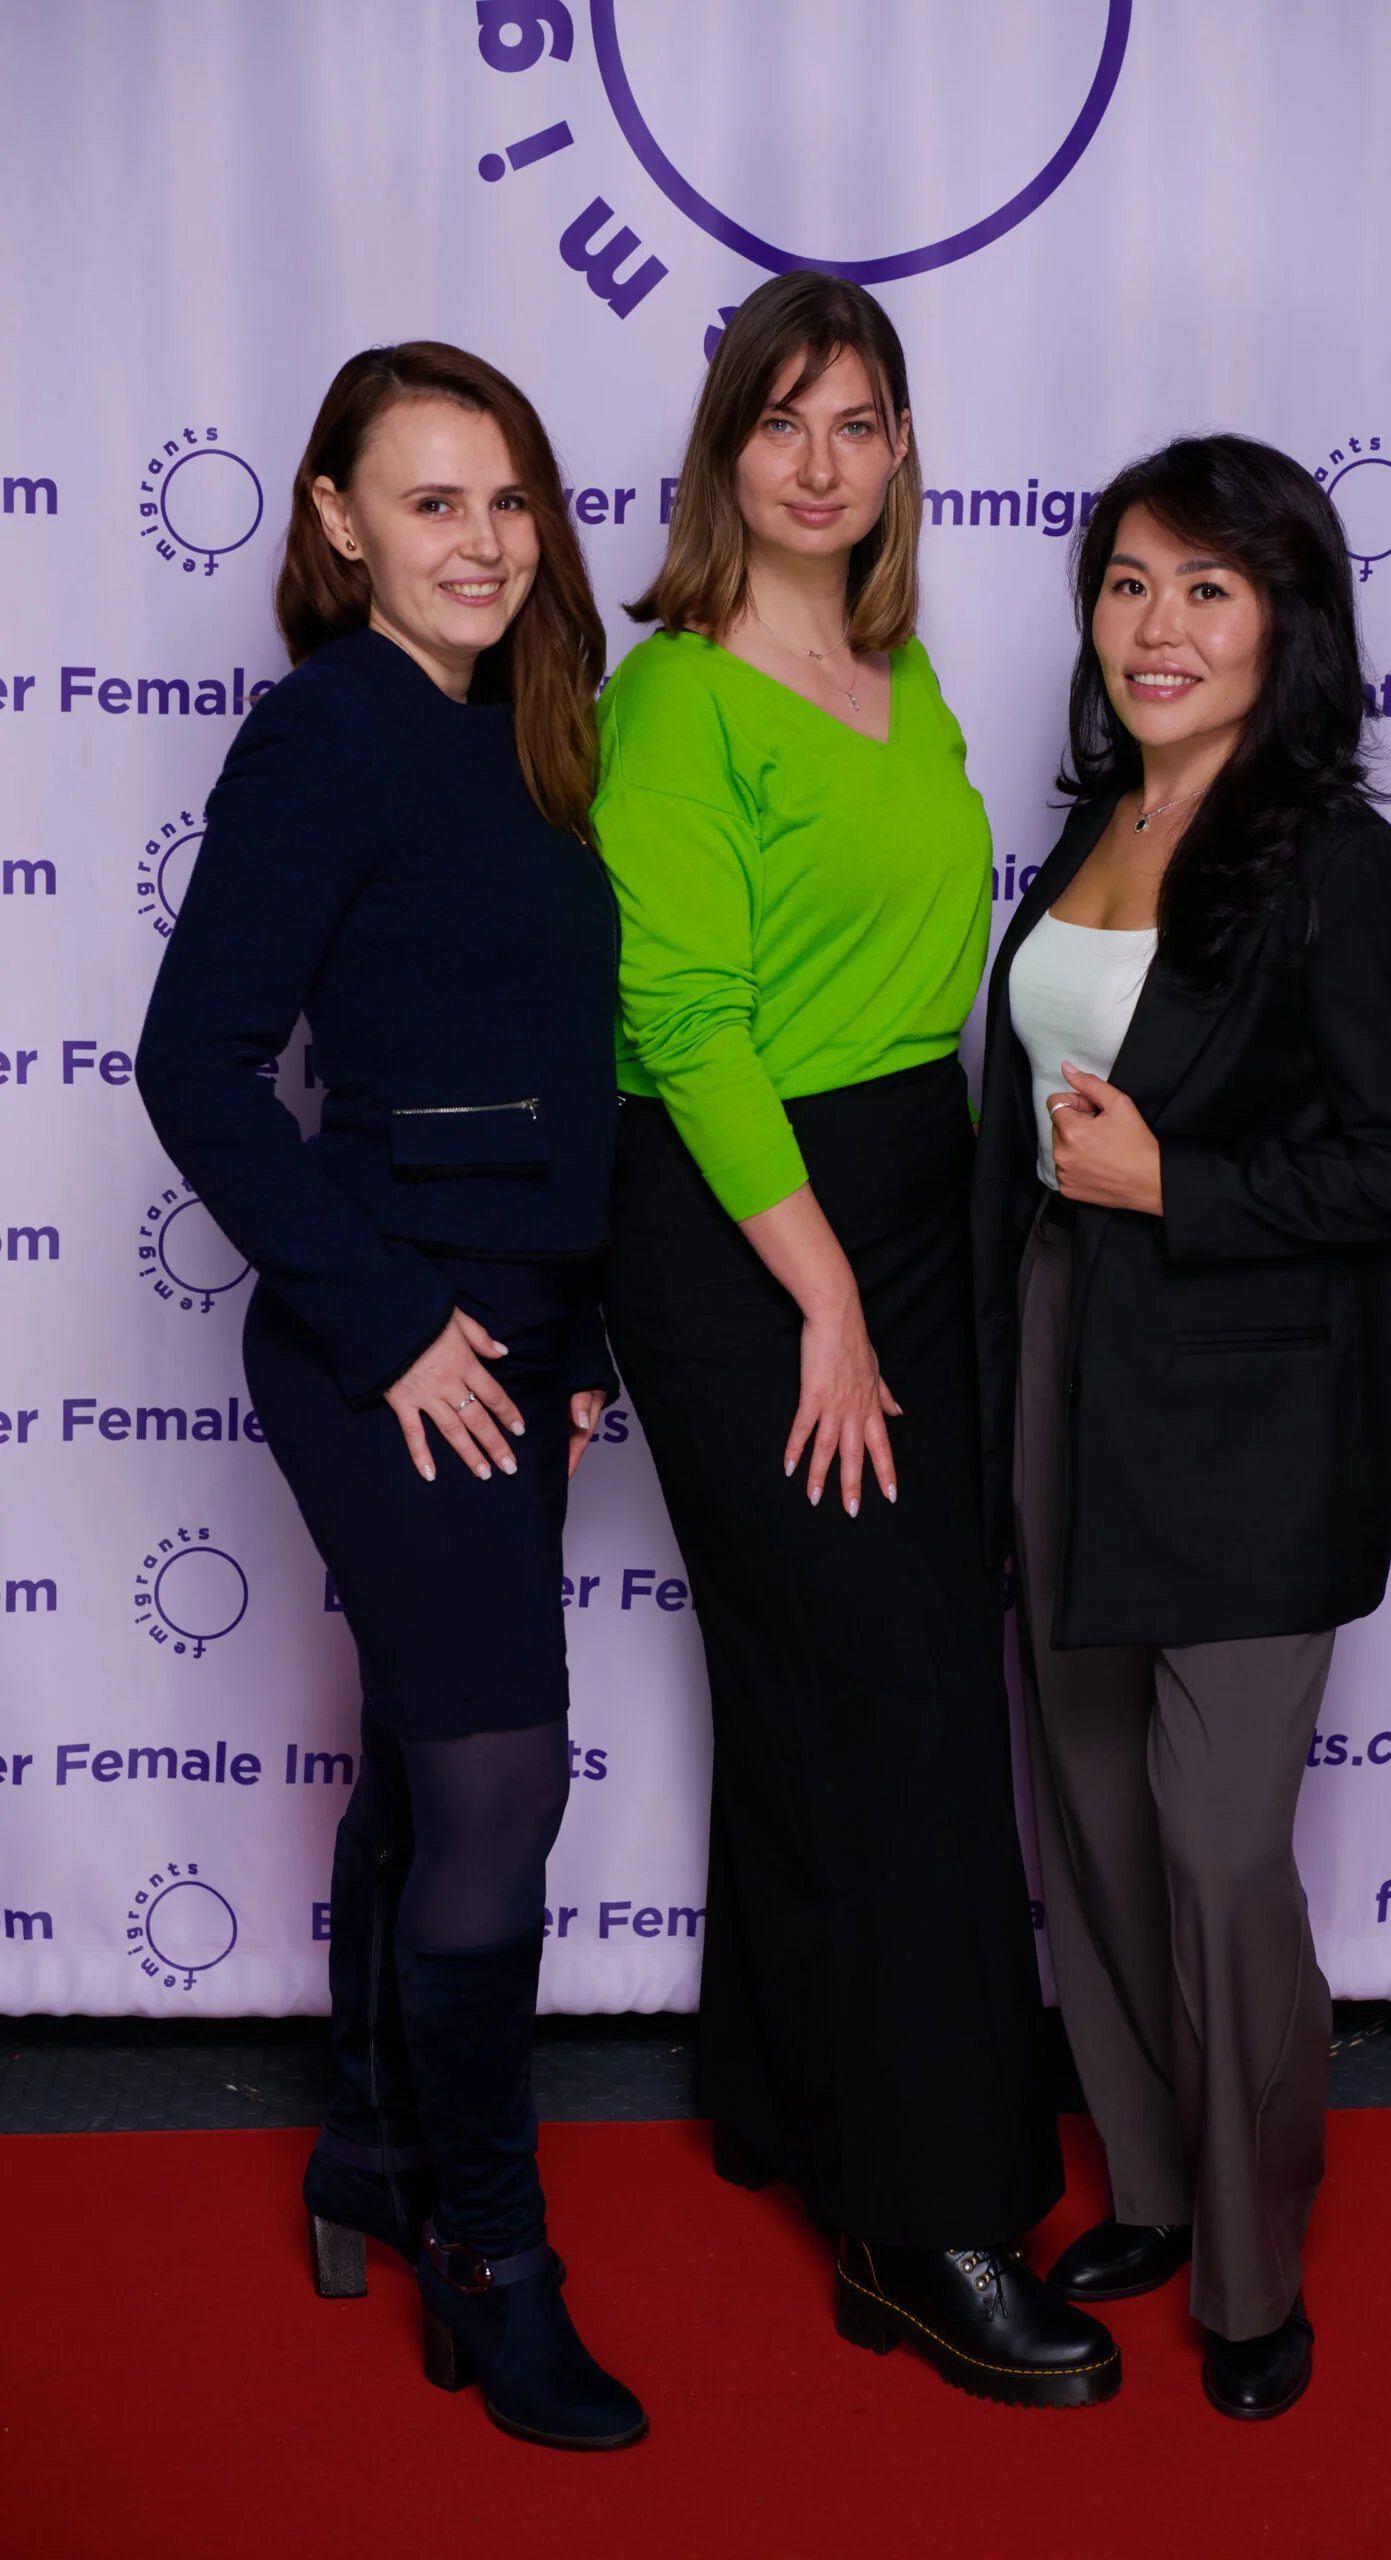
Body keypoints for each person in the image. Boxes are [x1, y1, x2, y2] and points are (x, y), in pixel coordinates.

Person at [593, 271, 1117, 2409]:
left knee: (845, 1681)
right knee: (893, 1703)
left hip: (918, 1193)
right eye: (780, 418)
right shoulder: (672, 699)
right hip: (751, 1229)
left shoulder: (898, 672)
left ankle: (784, 2092)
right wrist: (821, 1300)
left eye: (858, 421)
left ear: (900, 452)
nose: (819, 460)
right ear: (723, 449)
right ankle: (924, 2223)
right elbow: (684, 1023)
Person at [135, 343, 645, 2454]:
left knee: (437, 1775)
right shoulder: (327, 727)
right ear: (338, 524)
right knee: (502, 1787)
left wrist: (574, 1342)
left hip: (513, 1336)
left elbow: (556, 1074)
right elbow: (191, 1062)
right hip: (391, 1342)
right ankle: (491, 2249)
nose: (484, 540)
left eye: (508, 500)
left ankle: (367, 2138)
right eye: (434, 501)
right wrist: (388, 1321)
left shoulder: (522, 733)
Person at [971, 434, 1391, 2420]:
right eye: (1126, 583)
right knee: (1089, 1813)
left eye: (1206, 587)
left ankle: (1255, 2270)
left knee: (1222, 1845)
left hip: (1250, 1408)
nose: (1155, 627)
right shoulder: (1091, 821)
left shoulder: (1330, 857)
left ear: (1284, 621)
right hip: (1062, 1354)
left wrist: (1176, 1185)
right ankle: (1156, 2179)